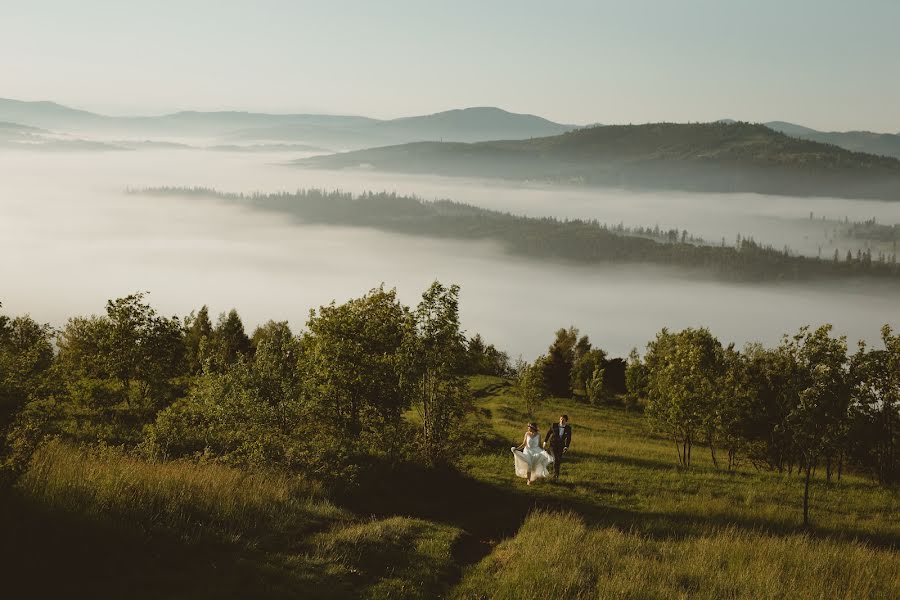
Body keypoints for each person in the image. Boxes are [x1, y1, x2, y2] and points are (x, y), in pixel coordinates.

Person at [544, 414, 572, 480]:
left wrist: (566, 446)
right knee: (556, 459)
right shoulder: (554, 425)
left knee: (558, 461)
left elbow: (568, 438)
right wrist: (545, 442)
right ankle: (554, 476)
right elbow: (548, 433)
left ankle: (556, 476)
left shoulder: (568, 428)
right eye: (561, 419)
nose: (562, 421)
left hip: (561, 446)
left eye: (563, 420)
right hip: (553, 445)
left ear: (566, 421)